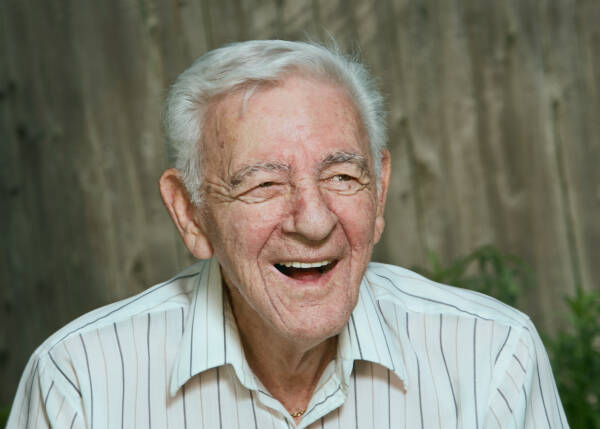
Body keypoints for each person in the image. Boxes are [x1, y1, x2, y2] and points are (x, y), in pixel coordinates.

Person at [7, 40, 568, 429]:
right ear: (191, 213)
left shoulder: (492, 356)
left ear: (380, 192)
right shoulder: (79, 381)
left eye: (343, 177)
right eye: (265, 185)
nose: (314, 220)